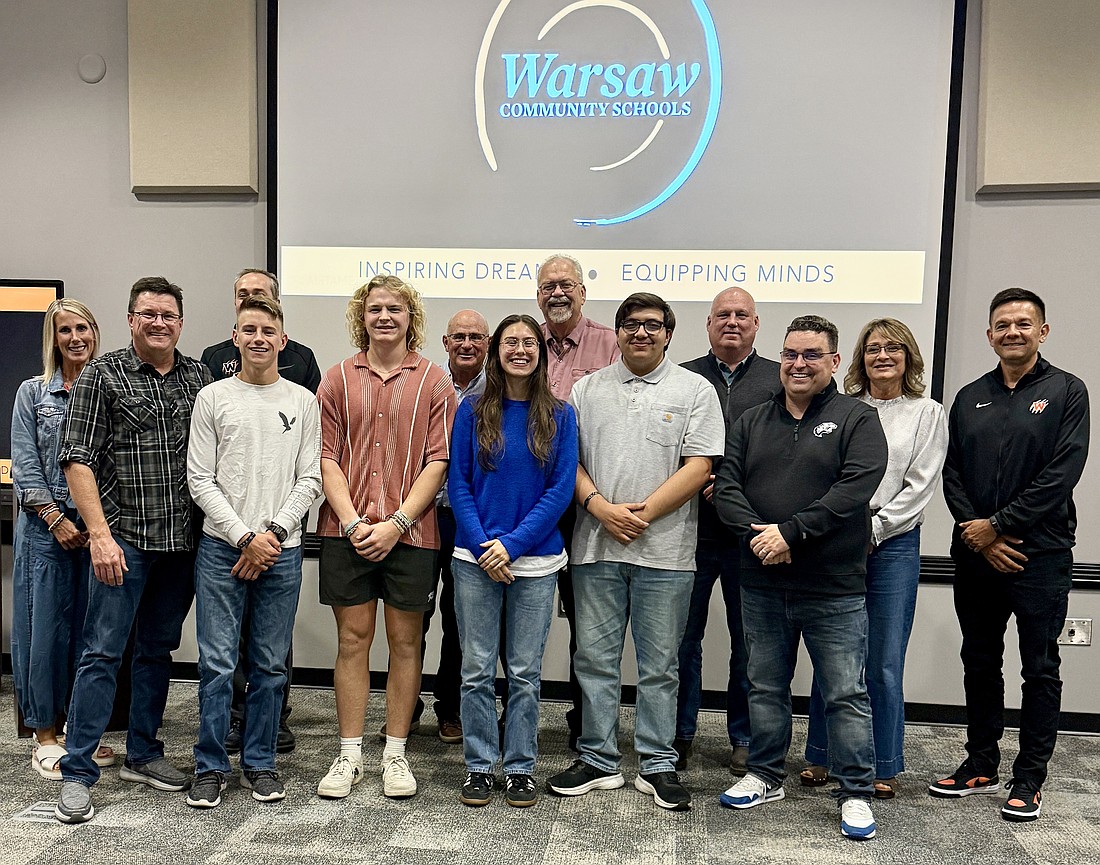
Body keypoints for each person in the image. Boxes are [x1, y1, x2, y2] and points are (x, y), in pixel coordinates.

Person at [546, 292, 724, 812]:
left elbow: (699, 468)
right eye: (630, 325)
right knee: (595, 660)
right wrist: (601, 508)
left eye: (651, 325)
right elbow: (566, 463)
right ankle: (598, 758)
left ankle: (656, 763)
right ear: (618, 332)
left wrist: (640, 514)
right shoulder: (585, 390)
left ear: (669, 333)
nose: (640, 333)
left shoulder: (695, 389)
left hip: (666, 553)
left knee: (661, 665)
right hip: (595, 547)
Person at [714, 314, 887, 841]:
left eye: (812, 354)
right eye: (790, 353)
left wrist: (792, 533)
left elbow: (855, 487)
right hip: (762, 580)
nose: (798, 364)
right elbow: (726, 490)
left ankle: (855, 790)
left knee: (844, 694)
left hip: (832, 586)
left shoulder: (857, 418)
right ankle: (765, 774)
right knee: (764, 686)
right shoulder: (750, 420)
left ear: (834, 362)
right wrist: (761, 536)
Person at [54, 277, 213, 824]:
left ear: (181, 322)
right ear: (130, 320)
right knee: (102, 653)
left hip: (183, 544)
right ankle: (77, 771)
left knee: (156, 651)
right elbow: (77, 459)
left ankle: (143, 754)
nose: (159, 323)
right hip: (124, 541)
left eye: (169, 315)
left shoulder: (199, 377)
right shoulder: (104, 375)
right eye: (148, 314)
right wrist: (98, 534)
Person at [931, 288, 1089, 823]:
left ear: (1043, 331)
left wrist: (997, 527)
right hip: (974, 554)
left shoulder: (1069, 391)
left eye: (1024, 323)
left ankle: (1029, 778)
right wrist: (978, 534)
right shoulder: (971, 395)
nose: (1013, 332)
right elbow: (951, 472)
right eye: (1003, 324)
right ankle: (981, 764)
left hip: (1039, 554)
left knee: (1039, 668)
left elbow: (1062, 473)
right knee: (980, 658)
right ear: (990, 334)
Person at [315, 275, 455, 800]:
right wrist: (353, 522)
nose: (385, 317)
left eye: (395, 308)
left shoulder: (435, 382)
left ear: (410, 317)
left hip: (412, 535)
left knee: (405, 641)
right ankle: (349, 754)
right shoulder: (335, 379)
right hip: (344, 532)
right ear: (362, 316)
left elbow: (438, 460)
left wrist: (396, 524)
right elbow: (326, 457)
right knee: (352, 641)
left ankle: (395, 754)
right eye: (375, 309)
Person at [186, 295, 322, 808]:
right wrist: (244, 537)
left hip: (282, 552)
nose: (259, 338)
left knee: (269, 665)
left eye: (269, 330)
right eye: (249, 330)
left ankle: (260, 763)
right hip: (223, 549)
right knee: (218, 664)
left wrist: (272, 535)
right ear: (235, 338)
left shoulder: (303, 401)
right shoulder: (213, 398)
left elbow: (310, 479)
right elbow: (200, 478)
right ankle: (210, 766)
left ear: (282, 341)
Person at [801, 318, 947, 798]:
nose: (882, 356)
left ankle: (882, 762)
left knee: (883, 659)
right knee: (833, 654)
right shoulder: (842, 409)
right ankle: (822, 755)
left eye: (893, 348)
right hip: (838, 539)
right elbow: (826, 476)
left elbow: (921, 484)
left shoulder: (928, 412)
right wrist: (844, 528)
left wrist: (877, 529)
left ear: (909, 356)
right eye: (873, 348)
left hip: (894, 542)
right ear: (860, 358)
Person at [449, 314, 578, 808]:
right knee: (477, 669)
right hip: (474, 557)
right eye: (511, 343)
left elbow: (560, 490)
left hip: (535, 562)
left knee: (524, 673)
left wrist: (514, 545)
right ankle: (480, 765)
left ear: (540, 352)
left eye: (529, 342)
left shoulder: (561, 415)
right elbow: (458, 484)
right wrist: (486, 546)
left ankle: (520, 766)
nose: (520, 350)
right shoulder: (472, 410)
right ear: (495, 351)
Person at [675, 287, 780, 776]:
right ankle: (680, 734)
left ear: (756, 324)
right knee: (682, 640)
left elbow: (789, 454)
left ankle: (743, 736)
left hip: (752, 535)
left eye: (742, 315)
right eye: (723, 315)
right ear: (708, 324)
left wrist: (737, 492)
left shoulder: (778, 379)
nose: (732, 322)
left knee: (749, 642)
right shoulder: (683, 378)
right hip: (690, 531)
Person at [11, 298, 115, 779]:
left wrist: (97, 526)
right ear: (53, 340)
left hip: (96, 528)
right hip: (46, 532)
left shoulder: (107, 388)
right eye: (65, 330)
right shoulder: (33, 393)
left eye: (83, 328)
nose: (76, 338)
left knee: (89, 634)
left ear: (95, 332)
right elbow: (25, 465)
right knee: (44, 633)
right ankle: (45, 736)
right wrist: (55, 517)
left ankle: (80, 732)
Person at [387, 309, 490, 745]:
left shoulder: (501, 394)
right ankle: (405, 707)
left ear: (487, 346)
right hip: (422, 515)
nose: (467, 344)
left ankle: (451, 707)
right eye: (459, 337)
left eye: (476, 338)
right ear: (445, 343)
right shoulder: (424, 384)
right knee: (414, 615)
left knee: (462, 619)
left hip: (473, 519)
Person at [536, 252, 619, 750]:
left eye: (567, 284)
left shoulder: (611, 344)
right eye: (548, 286)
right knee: (522, 608)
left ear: (584, 292)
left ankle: (585, 719)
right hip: (531, 502)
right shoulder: (524, 343)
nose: (558, 293)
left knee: (587, 620)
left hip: (588, 502)